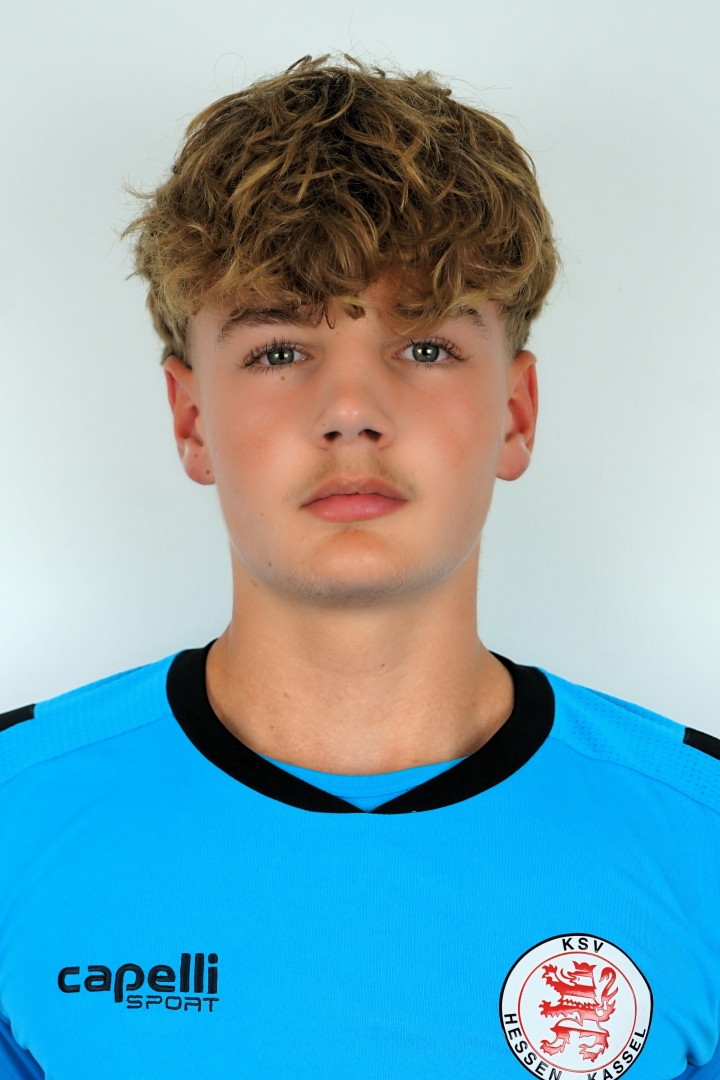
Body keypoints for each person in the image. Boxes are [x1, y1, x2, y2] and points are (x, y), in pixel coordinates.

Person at [1, 55, 718, 1080]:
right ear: (191, 419)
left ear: (515, 414)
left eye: (423, 347)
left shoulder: (700, 841)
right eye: (279, 350)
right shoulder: (16, 821)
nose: (350, 412)